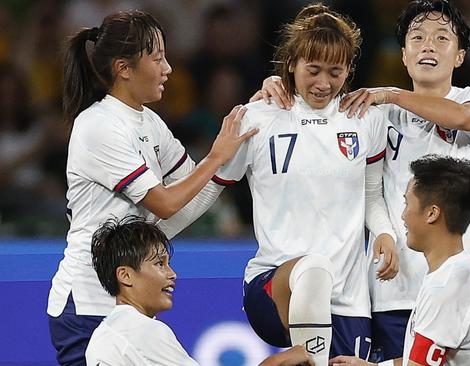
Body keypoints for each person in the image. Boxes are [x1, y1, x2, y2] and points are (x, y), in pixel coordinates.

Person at [254, 1, 470, 360]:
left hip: (455, 285)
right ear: (403, 55)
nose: (427, 45)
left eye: (441, 38)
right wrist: (278, 84)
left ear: (460, 56)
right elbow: (317, 110)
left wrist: (391, 93)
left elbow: (464, 117)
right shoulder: (374, 114)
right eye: (417, 38)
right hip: (387, 292)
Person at [160, 4, 399, 364]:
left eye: (335, 72)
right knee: (314, 270)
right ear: (291, 64)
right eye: (313, 70)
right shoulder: (258, 116)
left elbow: (371, 194)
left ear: (350, 69)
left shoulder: (367, 119)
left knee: (322, 278)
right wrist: (155, 236)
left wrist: (384, 233)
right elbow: (211, 189)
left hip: (349, 301)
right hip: (274, 286)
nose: (323, 83)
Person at [48, 10, 257, 365]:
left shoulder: (150, 122)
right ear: (123, 68)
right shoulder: (99, 125)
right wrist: (215, 158)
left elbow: (195, 192)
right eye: (157, 58)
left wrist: (248, 130)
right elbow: (165, 204)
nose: (168, 69)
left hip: (128, 302)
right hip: (88, 305)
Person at [330, 155, 470, 366]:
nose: (402, 215)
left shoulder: (446, 286)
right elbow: (422, 357)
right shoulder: (462, 271)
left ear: (431, 214)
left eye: (406, 203)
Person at [86, 215, 314, 366]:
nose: (172, 274)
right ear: (125, 275)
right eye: (159, 264)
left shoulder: (106, 332)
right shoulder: (141, 330)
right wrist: (279, 360)